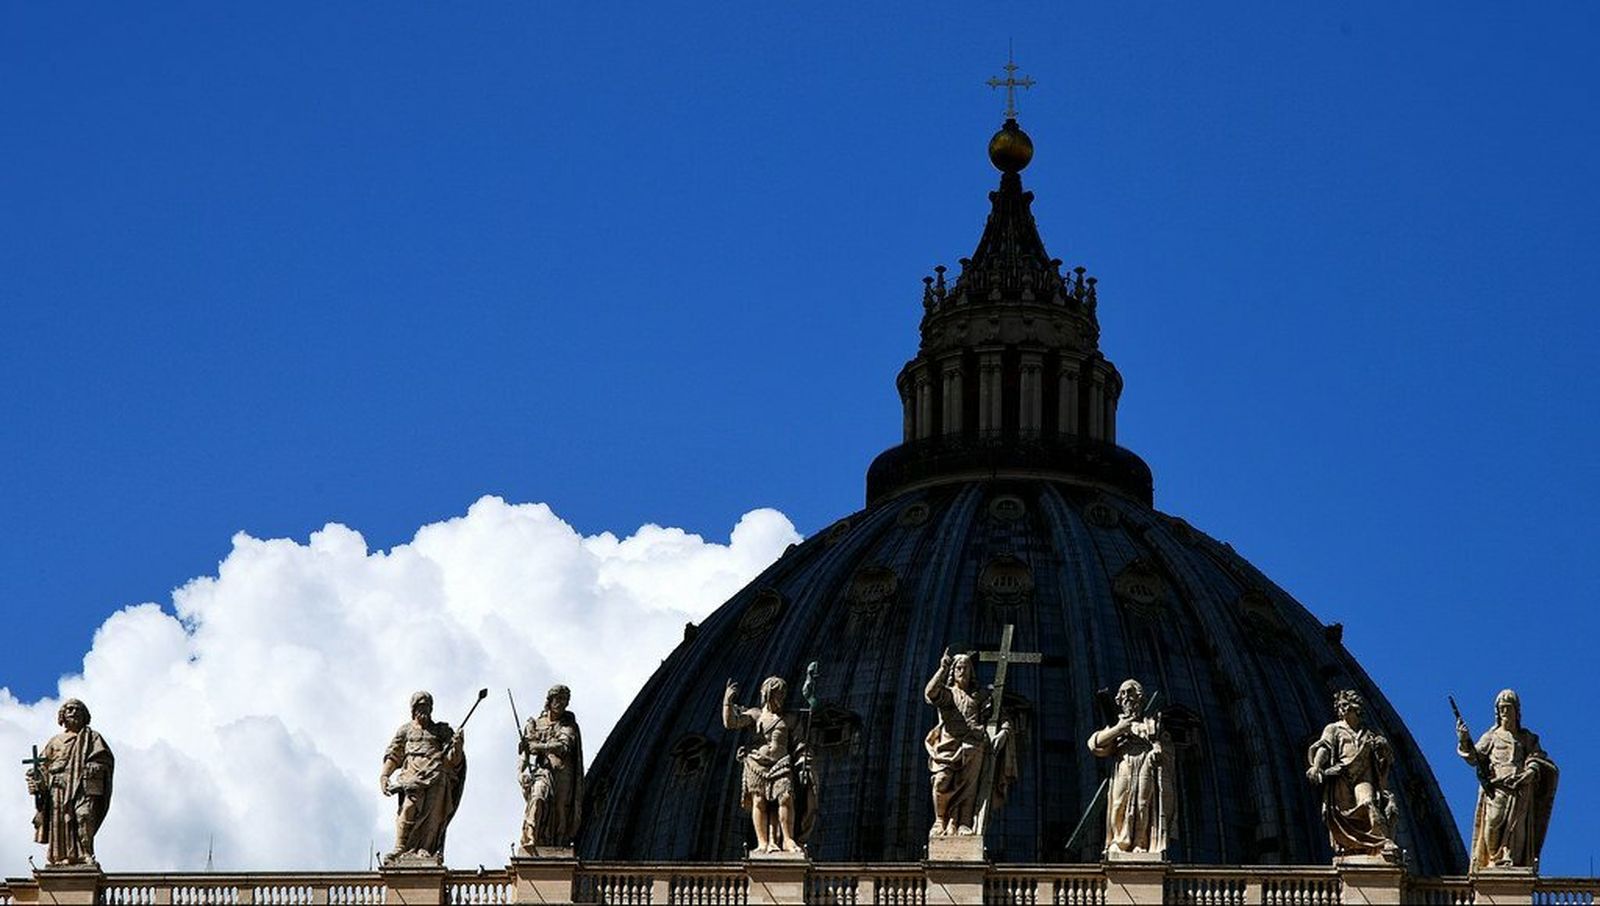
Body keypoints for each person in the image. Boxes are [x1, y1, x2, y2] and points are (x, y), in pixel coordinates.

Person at [1456, 689, 1558, 871]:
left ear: (1516, 711)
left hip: (1520, 787)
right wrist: (1464, 740)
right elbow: (1474, 756)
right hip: (1497, 787)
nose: (1504, 712)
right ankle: (1493, 859)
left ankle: (1510, 859)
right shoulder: (1492, 736)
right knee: (1493, 821)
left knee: (1518, 829)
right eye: (1501, 708)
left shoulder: (1526, 737)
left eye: (1508, 708)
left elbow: (1538, 757)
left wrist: (1530, 771)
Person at [924, 650, 1016, 836]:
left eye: (966, 667)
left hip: (974, 746)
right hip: (947, 745)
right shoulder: (948, 694)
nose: (962, 671)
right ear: (952, 671)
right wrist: (941, 670)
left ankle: (965, 822)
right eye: (958, 667)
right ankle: (940, 820)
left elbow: (1001, 717)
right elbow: (931, 693)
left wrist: (1004, 734)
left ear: (971, 671)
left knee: (969, 788)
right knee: (941, 781)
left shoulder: (980, 696)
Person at [722, 676, 816, 854]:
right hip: (757, 764)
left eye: (782, 695)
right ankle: (763, 843)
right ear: (766, 694)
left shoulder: (790, 719)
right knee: (759, 802)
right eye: (777, 695)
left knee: (786, 797)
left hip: (782, 763)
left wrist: (804, 761)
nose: (780, 699)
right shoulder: (756, 715)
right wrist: (727, 702)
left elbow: (800, 745)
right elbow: (731, 722)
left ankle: (788, 840)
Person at [1306, 689, 1399, 860]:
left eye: (1345, 706)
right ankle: (1354, 844)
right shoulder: (1333, 729)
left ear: (1356, 708)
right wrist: (1317, 766)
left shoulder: (1369, 733)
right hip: (1341, 773)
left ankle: (1381, 840)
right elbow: (1324, 748)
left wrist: (1383, 749)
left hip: (1364, 775)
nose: (1342, 710)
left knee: (1368, 803)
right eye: (1340, 707)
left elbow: (1384, 759)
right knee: (1344, 812)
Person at [1087, 679, 1175, 857]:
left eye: (1130, 693)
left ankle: (1139, 844)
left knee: (1143, 803)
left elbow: (1164, 746)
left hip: (1146, 763)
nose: (1127, 698)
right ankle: (1119, 842)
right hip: (1125, 764)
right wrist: (1119, 729)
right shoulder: (1117, 723)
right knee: (1119, 802)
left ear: (1140, 697)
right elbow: (1095, 744)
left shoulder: (1151, 724)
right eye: (1123, 694)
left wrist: (1158, 749)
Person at [380, 691, 467, 862]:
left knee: (433, 815)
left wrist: (457, 745)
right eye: (420, 706)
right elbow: (394, 754)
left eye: (427, 706)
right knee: (408, 809)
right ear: (413, 709)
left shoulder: (441, 730)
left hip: (437, 776)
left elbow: (453, 761)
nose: (423, 710)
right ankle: (401, 847)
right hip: (412, 776)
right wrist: (384, 775)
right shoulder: (405, 731)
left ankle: (426, 849)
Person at [26, 699, 114, 866]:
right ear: (62, 716)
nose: (73, 712)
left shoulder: (92, 738)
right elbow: (43, 766)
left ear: (84, 715)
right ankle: (61, 857)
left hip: (82, 785)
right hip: (58, 786)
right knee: (59, 821)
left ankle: (85, 853)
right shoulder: (55, 741)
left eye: (77, 709)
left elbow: (105, 761)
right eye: (69, 709)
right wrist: (36, 779)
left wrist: (95, 766)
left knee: (84, 815)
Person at [519, 684, 583, 851]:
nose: (561, 703)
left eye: (564, 700)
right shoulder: (535, 723)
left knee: (561, 811)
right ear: (550, 700)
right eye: (558, 699)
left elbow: (564, 746)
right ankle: (531, 838)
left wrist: (540, 747)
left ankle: (559, 846)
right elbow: (524, 754)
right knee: (538, 798)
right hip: (543, 772)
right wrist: (522, 772)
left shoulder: (568, 725)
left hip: (563, 774)